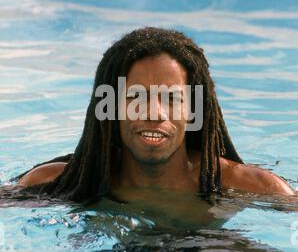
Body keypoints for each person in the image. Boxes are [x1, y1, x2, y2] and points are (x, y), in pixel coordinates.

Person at [14, 27, 295, 201]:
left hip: (210, 244)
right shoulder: (54, 183)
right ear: (110, 107)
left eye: (172, 98)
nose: (154, 113)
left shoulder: (256, 188)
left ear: (194, 108)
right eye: (136, 96)